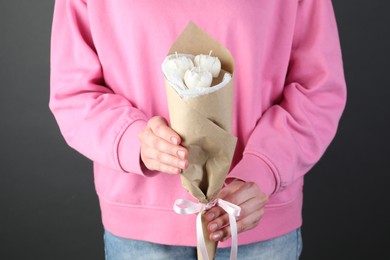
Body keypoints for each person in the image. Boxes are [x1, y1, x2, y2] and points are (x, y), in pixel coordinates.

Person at [50, 0, 346, 259]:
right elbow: (74, 92)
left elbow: (318, 88)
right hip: (141, 229)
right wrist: (135, 141)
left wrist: (263, 170)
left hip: (257, 218)